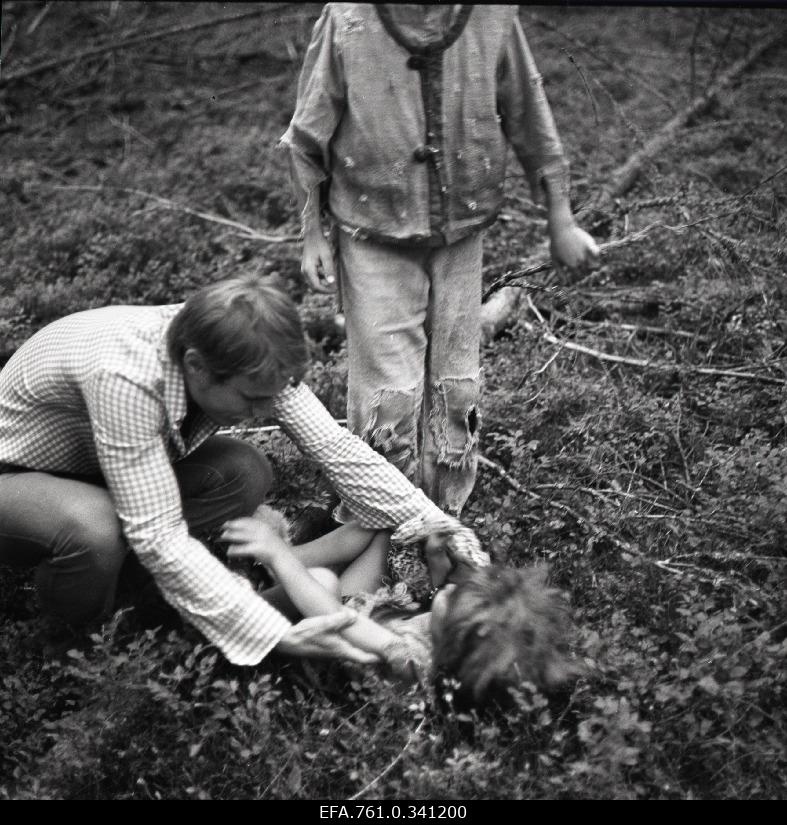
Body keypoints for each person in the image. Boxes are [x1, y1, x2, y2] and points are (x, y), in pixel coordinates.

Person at [0, 276, 482, 665]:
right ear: (196, 366)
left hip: (89, 464)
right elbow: (160, 535)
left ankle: (133, 583)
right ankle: (81, 643)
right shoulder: (123, 377)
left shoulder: (249, 352)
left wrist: (437, 525)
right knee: (94, 527)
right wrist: (272, 633)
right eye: (252, 400)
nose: (264, 411)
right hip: (13, 475)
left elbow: (333, 446)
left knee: (243, 470)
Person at [280, 4, 599, 518]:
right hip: (372, 231)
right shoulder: (349, 19)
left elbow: (529, 113)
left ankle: (443, 514)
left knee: (456, 376)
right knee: (387, 388)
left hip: (459, 232)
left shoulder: (492, 17)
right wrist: (312, 234)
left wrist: (560, 218)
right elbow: (307, 134)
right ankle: (379, 520)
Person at [222, 509, 582, 703]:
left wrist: (278, 555)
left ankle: (255, 584)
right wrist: (436, 556)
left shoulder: (412, 663)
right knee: (378, 527)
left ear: (455, 642)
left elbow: (337, 619)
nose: (452, 591)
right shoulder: (458, 635)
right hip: (369, 608)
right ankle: (284, 557)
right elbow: (445, 596)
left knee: (324, 583)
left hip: (334, 636)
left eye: (456, 597)